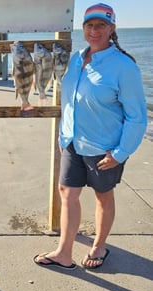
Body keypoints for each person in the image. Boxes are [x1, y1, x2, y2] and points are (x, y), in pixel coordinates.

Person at [34, 3, 147, 270]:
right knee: (67, 193)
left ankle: (99, 245)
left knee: (102, 195)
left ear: (112, 29)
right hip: (73, 142)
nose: (94, 30)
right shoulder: (75, 59)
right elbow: (69, 102)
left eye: (101, 25)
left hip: (104, 147)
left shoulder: (124, 67)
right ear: (83, 28)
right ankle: (64, 252)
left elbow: (137, 117)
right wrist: (64, 137)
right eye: (89, 25)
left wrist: (120, 153)